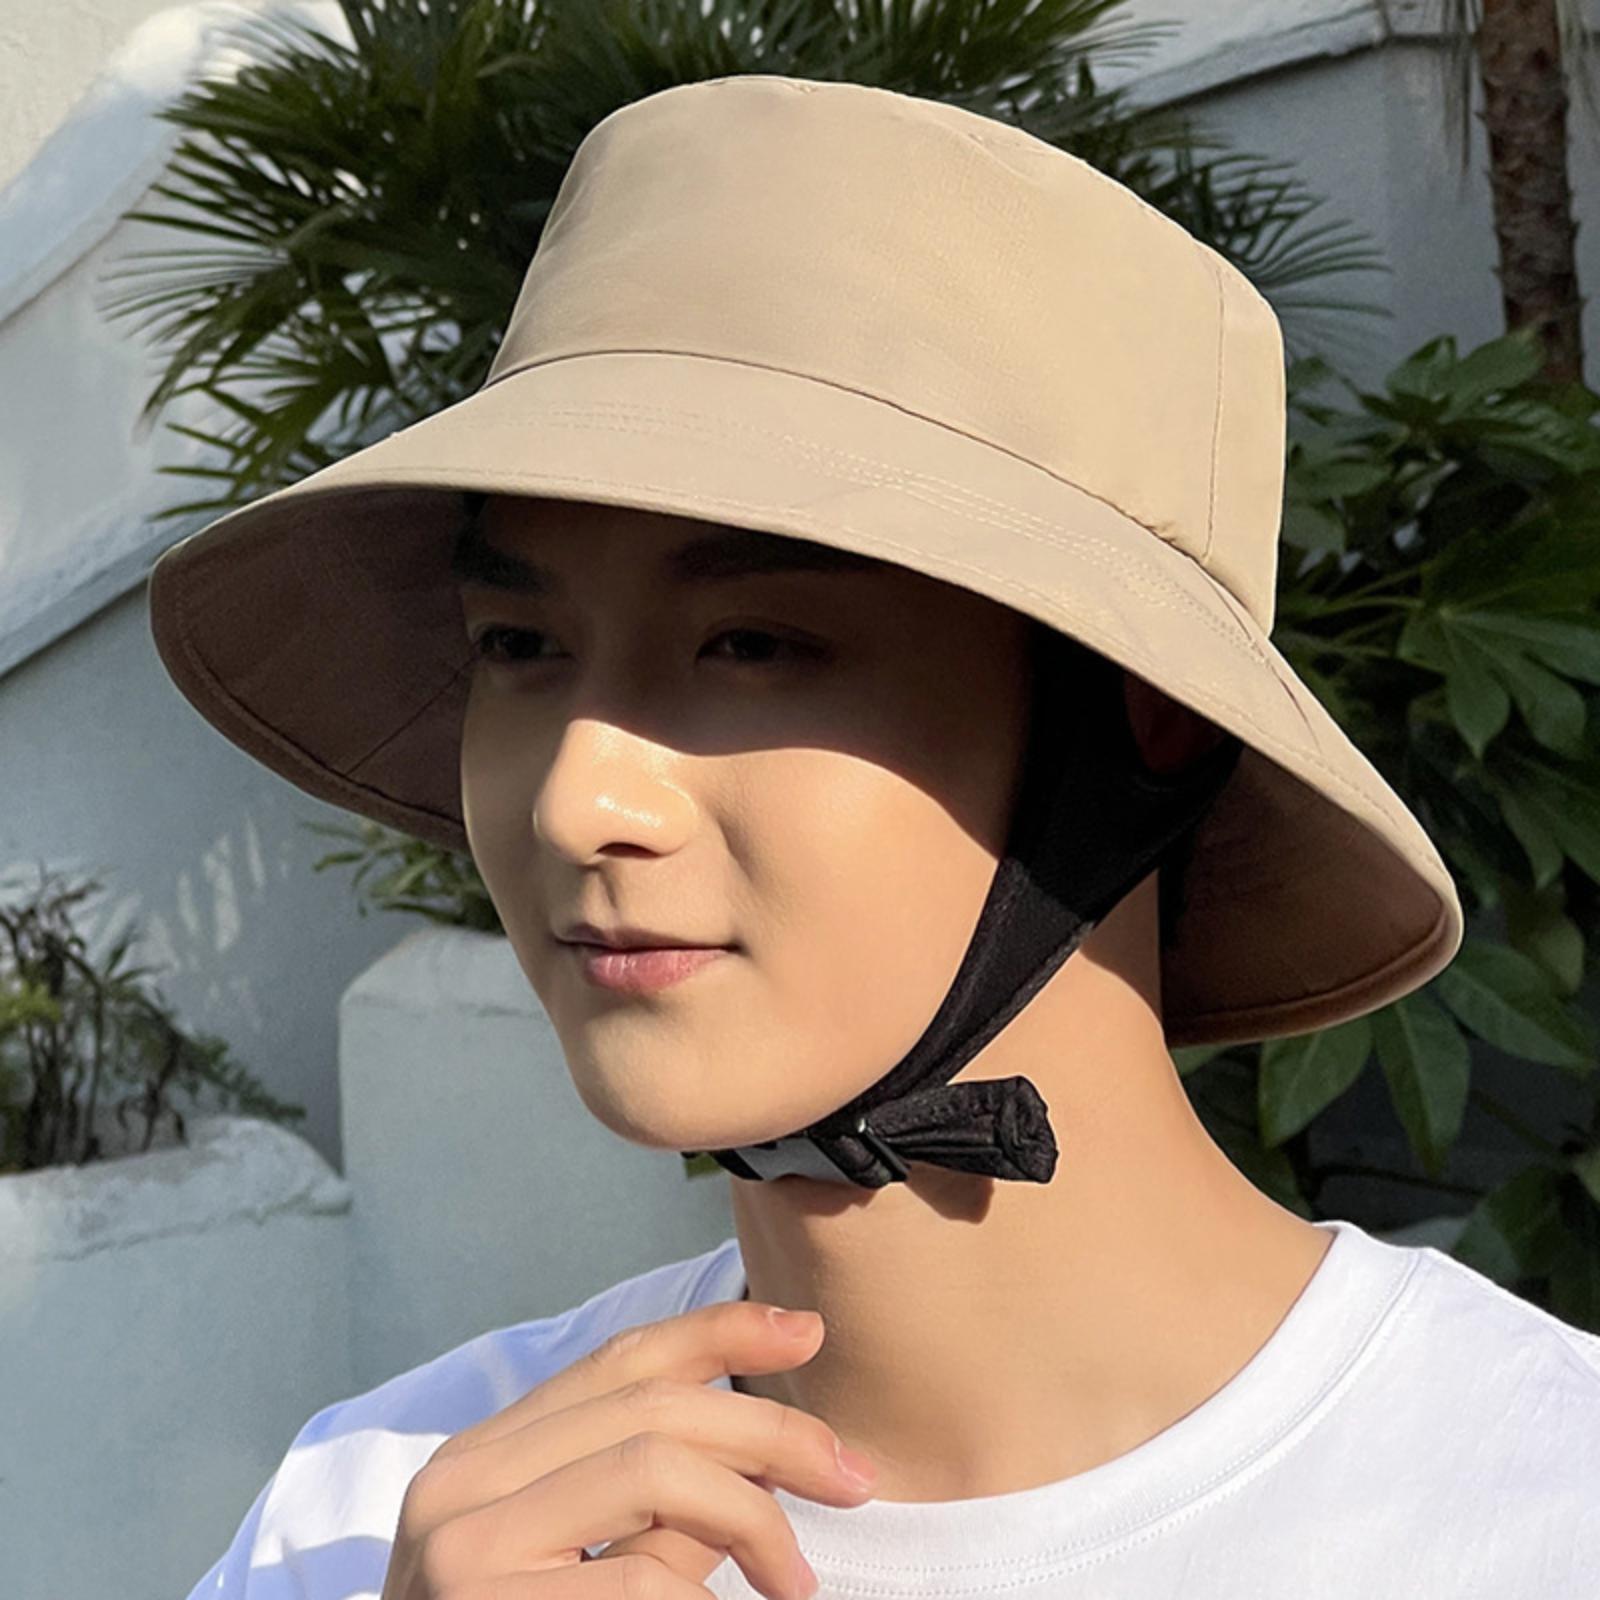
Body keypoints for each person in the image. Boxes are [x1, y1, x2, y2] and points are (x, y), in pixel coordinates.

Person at [149, 76, 1599, 1600]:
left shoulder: (1541, 1515)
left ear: (1144, 723)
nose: (580, 800)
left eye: (754, 645)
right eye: (518, 645)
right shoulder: (366, 1518)